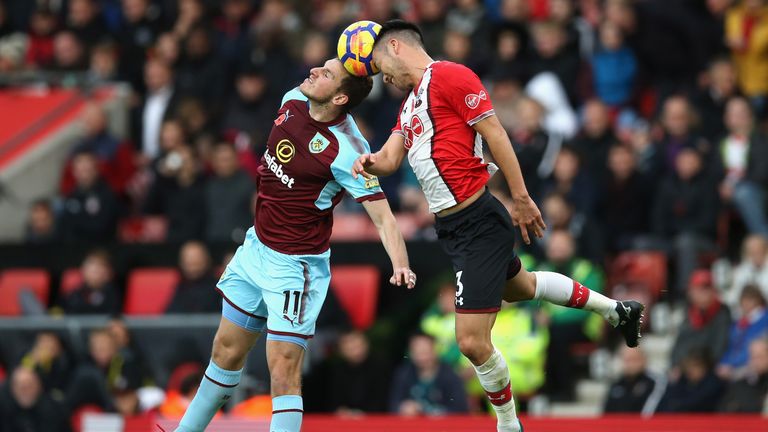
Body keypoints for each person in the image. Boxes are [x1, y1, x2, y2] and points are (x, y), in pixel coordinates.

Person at [353, 20, 644, 432]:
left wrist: (522, 197)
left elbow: (496, 133)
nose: (384, 77)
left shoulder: (450, 76)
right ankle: (618, 310)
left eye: (381, 64)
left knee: (471, 341)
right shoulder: (410, 105)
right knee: (522, 287)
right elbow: (388, 159)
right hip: (453, 228)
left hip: (479, 220)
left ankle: (508, 425)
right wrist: (363, 159)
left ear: (396, 46)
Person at [173, 58, 415, 432]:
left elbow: (383, 217)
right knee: (224, 351)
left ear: (338, 98)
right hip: (256, 248)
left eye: (327, 74)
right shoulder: (292, 99)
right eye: (322, 66)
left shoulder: (349, 149)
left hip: (295, 267)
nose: (315, 71)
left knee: (283, 369)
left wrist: (401, 263)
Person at [389, 332, 469, 415]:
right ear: (411, 353)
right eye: (418, 353)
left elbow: (460, 410)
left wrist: (429, 412)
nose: (423, 358)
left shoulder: (450, 375)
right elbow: (393, 406)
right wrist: (403, 408)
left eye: (425, 352)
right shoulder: (403, 374)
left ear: (435, 350)